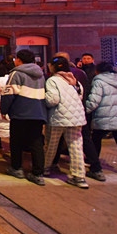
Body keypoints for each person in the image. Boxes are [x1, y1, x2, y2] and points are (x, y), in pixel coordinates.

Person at [0, 49, 47, 186]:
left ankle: (17, 168)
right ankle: (38, 173)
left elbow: (9, 93)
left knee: (16, 141)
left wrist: (4, 110)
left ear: (19, 60)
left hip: (21, 112)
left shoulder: (16, 73)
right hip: (38, 112)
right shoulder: (40, 75)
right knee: (36, 143)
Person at [85, 62, 117, 179]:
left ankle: (94, 167)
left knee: (95, 140)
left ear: (98, 71)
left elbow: (94, 100)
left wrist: (85, 110)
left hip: (104, 116)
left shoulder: (99, 81)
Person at [43, 57, 89, 188]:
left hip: (59, 117)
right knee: (76, 146)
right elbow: (80, 96)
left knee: (52, 144)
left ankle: (45, 168)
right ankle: (78, 176)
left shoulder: (53, 80)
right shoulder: (74, 80)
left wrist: (43, 100)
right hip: (77, 117)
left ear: (54, 67)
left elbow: (53, 99)